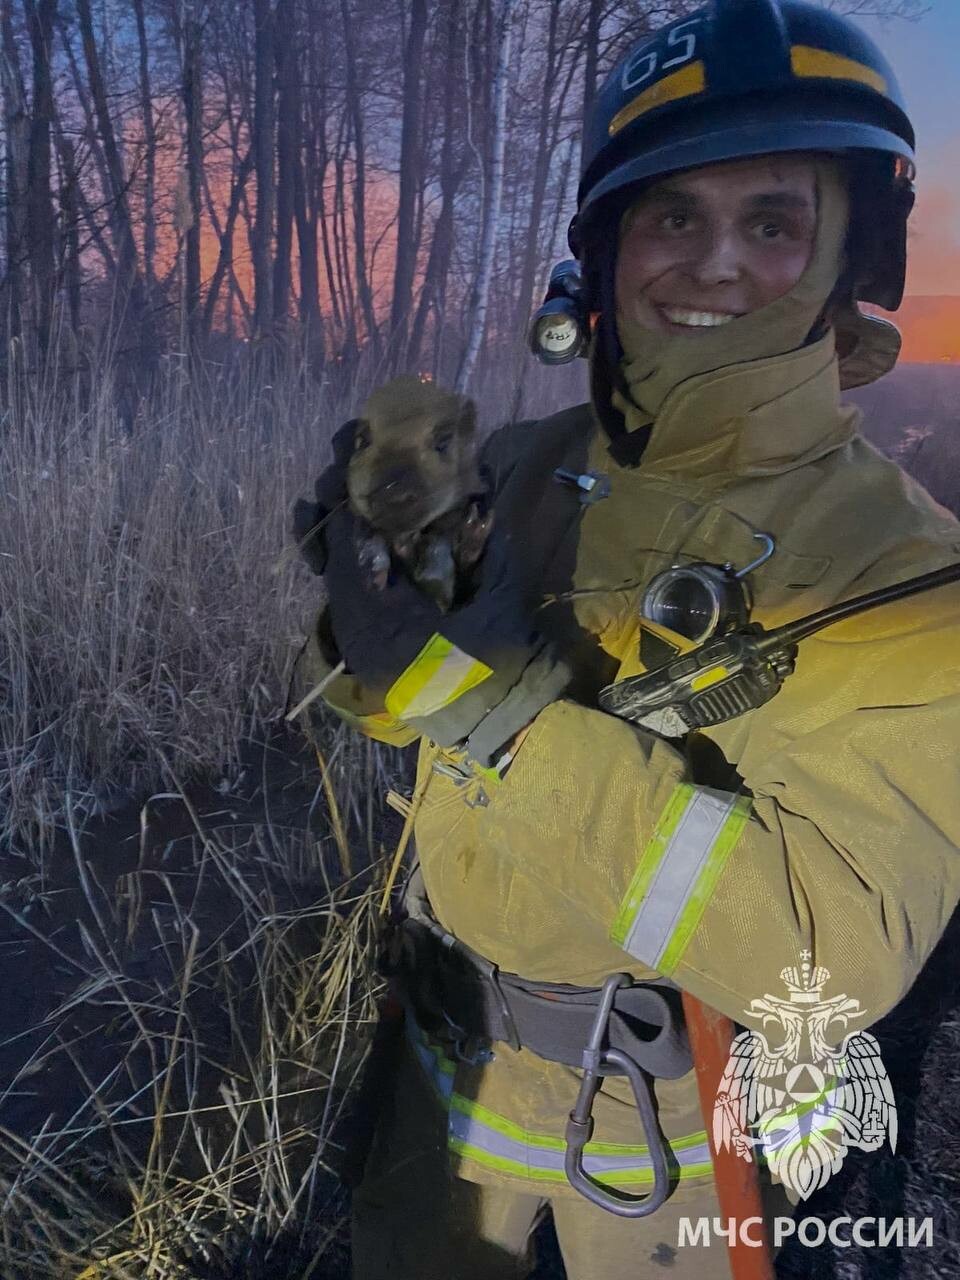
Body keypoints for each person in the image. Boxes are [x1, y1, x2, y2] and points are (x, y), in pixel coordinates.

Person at [291, 1, 960, 1276]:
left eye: (771, 220)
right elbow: (375, 702)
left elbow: (826, 952)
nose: (713, 264)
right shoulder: (526, 461)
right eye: (672, 216)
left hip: (671, 1127)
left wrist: (502, 720)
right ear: (603, 255)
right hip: (451, 1065)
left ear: (847, 253)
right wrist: (364, 611)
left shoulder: (905, 574)